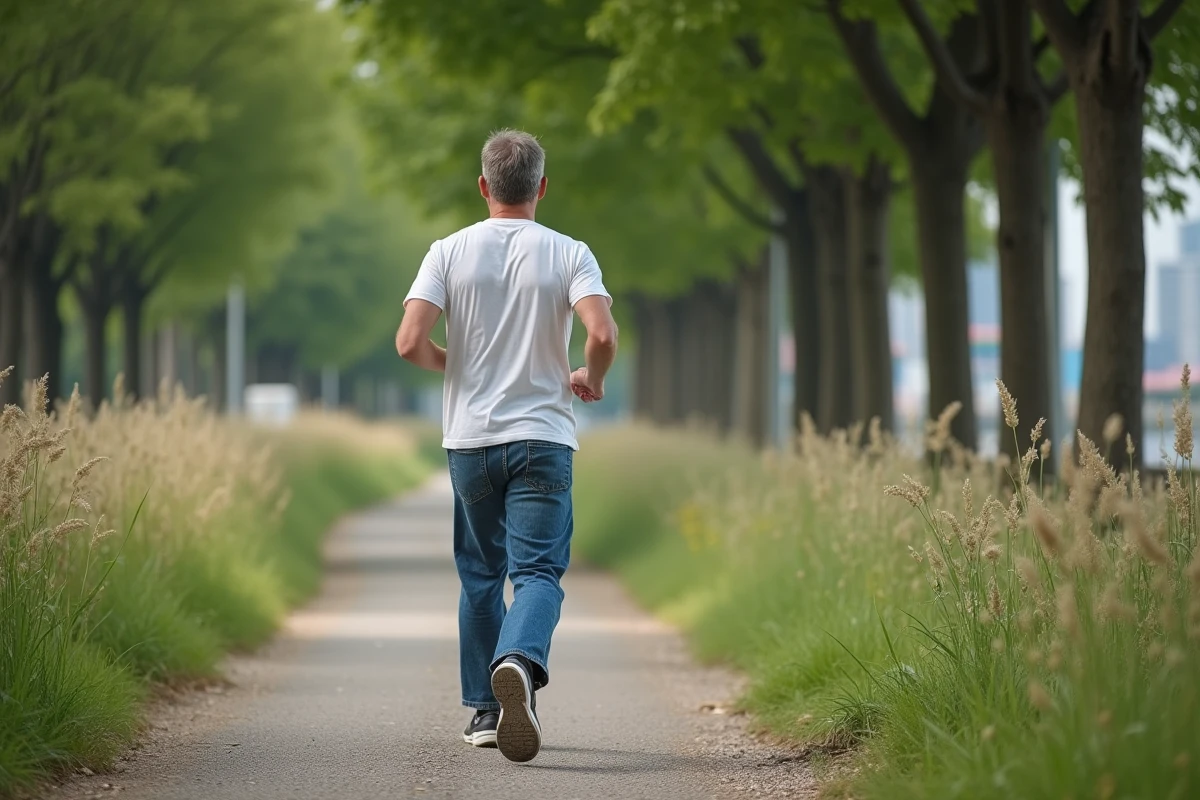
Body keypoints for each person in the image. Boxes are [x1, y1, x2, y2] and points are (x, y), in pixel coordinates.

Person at [396, 129, 618, 763]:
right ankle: (518, 662)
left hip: (470, 442)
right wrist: (589, 378)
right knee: (539, 574)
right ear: (542, 188)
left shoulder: (446, 251)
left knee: (480, 576)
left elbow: (409, 342)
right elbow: (600, 333)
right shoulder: (570, 253)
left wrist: (458, 367)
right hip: (543, 437)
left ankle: (487, 712)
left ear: (483, 186)